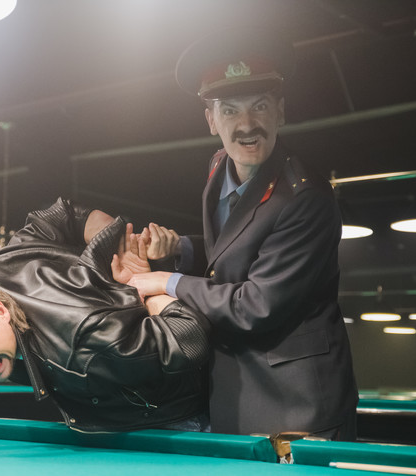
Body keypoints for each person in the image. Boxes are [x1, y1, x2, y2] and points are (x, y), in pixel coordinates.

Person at [124, 28, 358, 439]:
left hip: (298, 404)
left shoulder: (306, 198)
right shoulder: (219, 167)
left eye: (260, 106)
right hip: (235, 392)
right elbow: (232, 253)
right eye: (230, 111)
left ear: (280, 112)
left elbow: (256, 305)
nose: (247, 125)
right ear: (211, 121)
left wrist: (167, 281)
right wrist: (179, 250)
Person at [0, 197, 211, 433]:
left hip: (167, 423)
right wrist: (107, 234)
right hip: (105, 401)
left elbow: (190, 338)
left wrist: (146, 284)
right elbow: (59, 214)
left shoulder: (85, 348)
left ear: (0, 310)